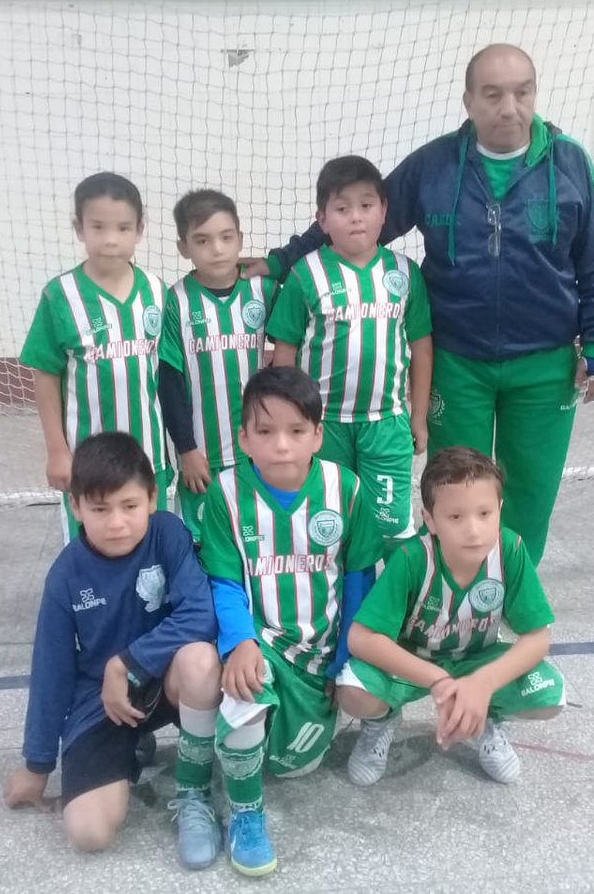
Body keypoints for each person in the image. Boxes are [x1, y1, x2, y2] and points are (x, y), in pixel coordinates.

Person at [248, 44, 594, 562]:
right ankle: (451, 588)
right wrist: (281, 261)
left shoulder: (570, 162)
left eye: (522, 93)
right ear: (468, 101)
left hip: (545, 363)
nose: (508, 108)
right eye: (492, 95)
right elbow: (359, 222)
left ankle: (514, 586)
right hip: (457, 361)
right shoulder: (435, 165)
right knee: (456, 488)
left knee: (531, 490)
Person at [2, 432, 222, 869]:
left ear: (152, 498)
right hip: (101, 700)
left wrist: (126, 664)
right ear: (76, 506)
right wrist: (37, 764)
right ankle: (129, 744)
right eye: (100, 509)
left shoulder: (168, 534)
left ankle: (194, 788)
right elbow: (51, 670)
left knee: (200, 660)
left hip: (164, 679)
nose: (116, 523)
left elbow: (201, 615)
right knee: (90, 834)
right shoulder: (65, 575)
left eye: (129, 506)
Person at [197, 366, 385, 876]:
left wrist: (342, 660)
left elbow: (358, 580)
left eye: (296, 430)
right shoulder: (225, 493)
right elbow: (224, 582)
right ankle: (246, 814)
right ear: (243, 438)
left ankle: (353, 720)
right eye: (265, 431)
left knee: (296, 766)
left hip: (319, 652)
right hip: (262, 640)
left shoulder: (345, 489)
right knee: (244, 694)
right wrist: (239, 642)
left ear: (318, 435)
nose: (281, 444)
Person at [336, 445, 565, 786]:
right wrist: (437, 679)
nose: (473, 530)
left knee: (550, 695)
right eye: (456, 517)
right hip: (414, 661)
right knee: (353, 690)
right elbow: (361, 638)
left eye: (484, 513)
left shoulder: (510, 550)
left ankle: (487, 717)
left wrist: (483, 684)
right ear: (429, 519)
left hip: (477, 659)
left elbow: (537, 637)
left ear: (500, 509)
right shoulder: (412, 558)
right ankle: (381, 721)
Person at [265, 155, 433, 550]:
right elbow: (284, 354)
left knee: (392, 530)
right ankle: (337, 589)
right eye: (342, 209)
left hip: (386, 423)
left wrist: (419, 416)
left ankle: (397, 591)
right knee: (327, 529)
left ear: (384, 211)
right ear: (322, 220)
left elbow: (422, 347)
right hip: (324, 425)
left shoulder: (405, 273)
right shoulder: (305, 274)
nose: (356, 217)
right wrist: (289, 422)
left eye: (366, 205)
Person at [20, 173, 169, 543]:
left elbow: (168, 376)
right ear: (79, 228)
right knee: (93, 547)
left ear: (140, 229)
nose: (110, 239)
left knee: (149, 544)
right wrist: (57, 451)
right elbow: (46, 375)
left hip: (149, 454)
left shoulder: (157, 291)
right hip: (87, 459)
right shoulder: (60, 296)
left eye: (123, 228)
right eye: (98, 227)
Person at [158, 189, 278, 544]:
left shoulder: (266, 291)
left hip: (257, 450)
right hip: (202, 456)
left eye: (226, 237)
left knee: (257, 537)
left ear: (240, 238)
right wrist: (186, 449)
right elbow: (169, 381)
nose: (217, 249)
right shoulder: (175, 302)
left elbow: (293, 347)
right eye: (202, 240)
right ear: (183, 248)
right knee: (204, 542)